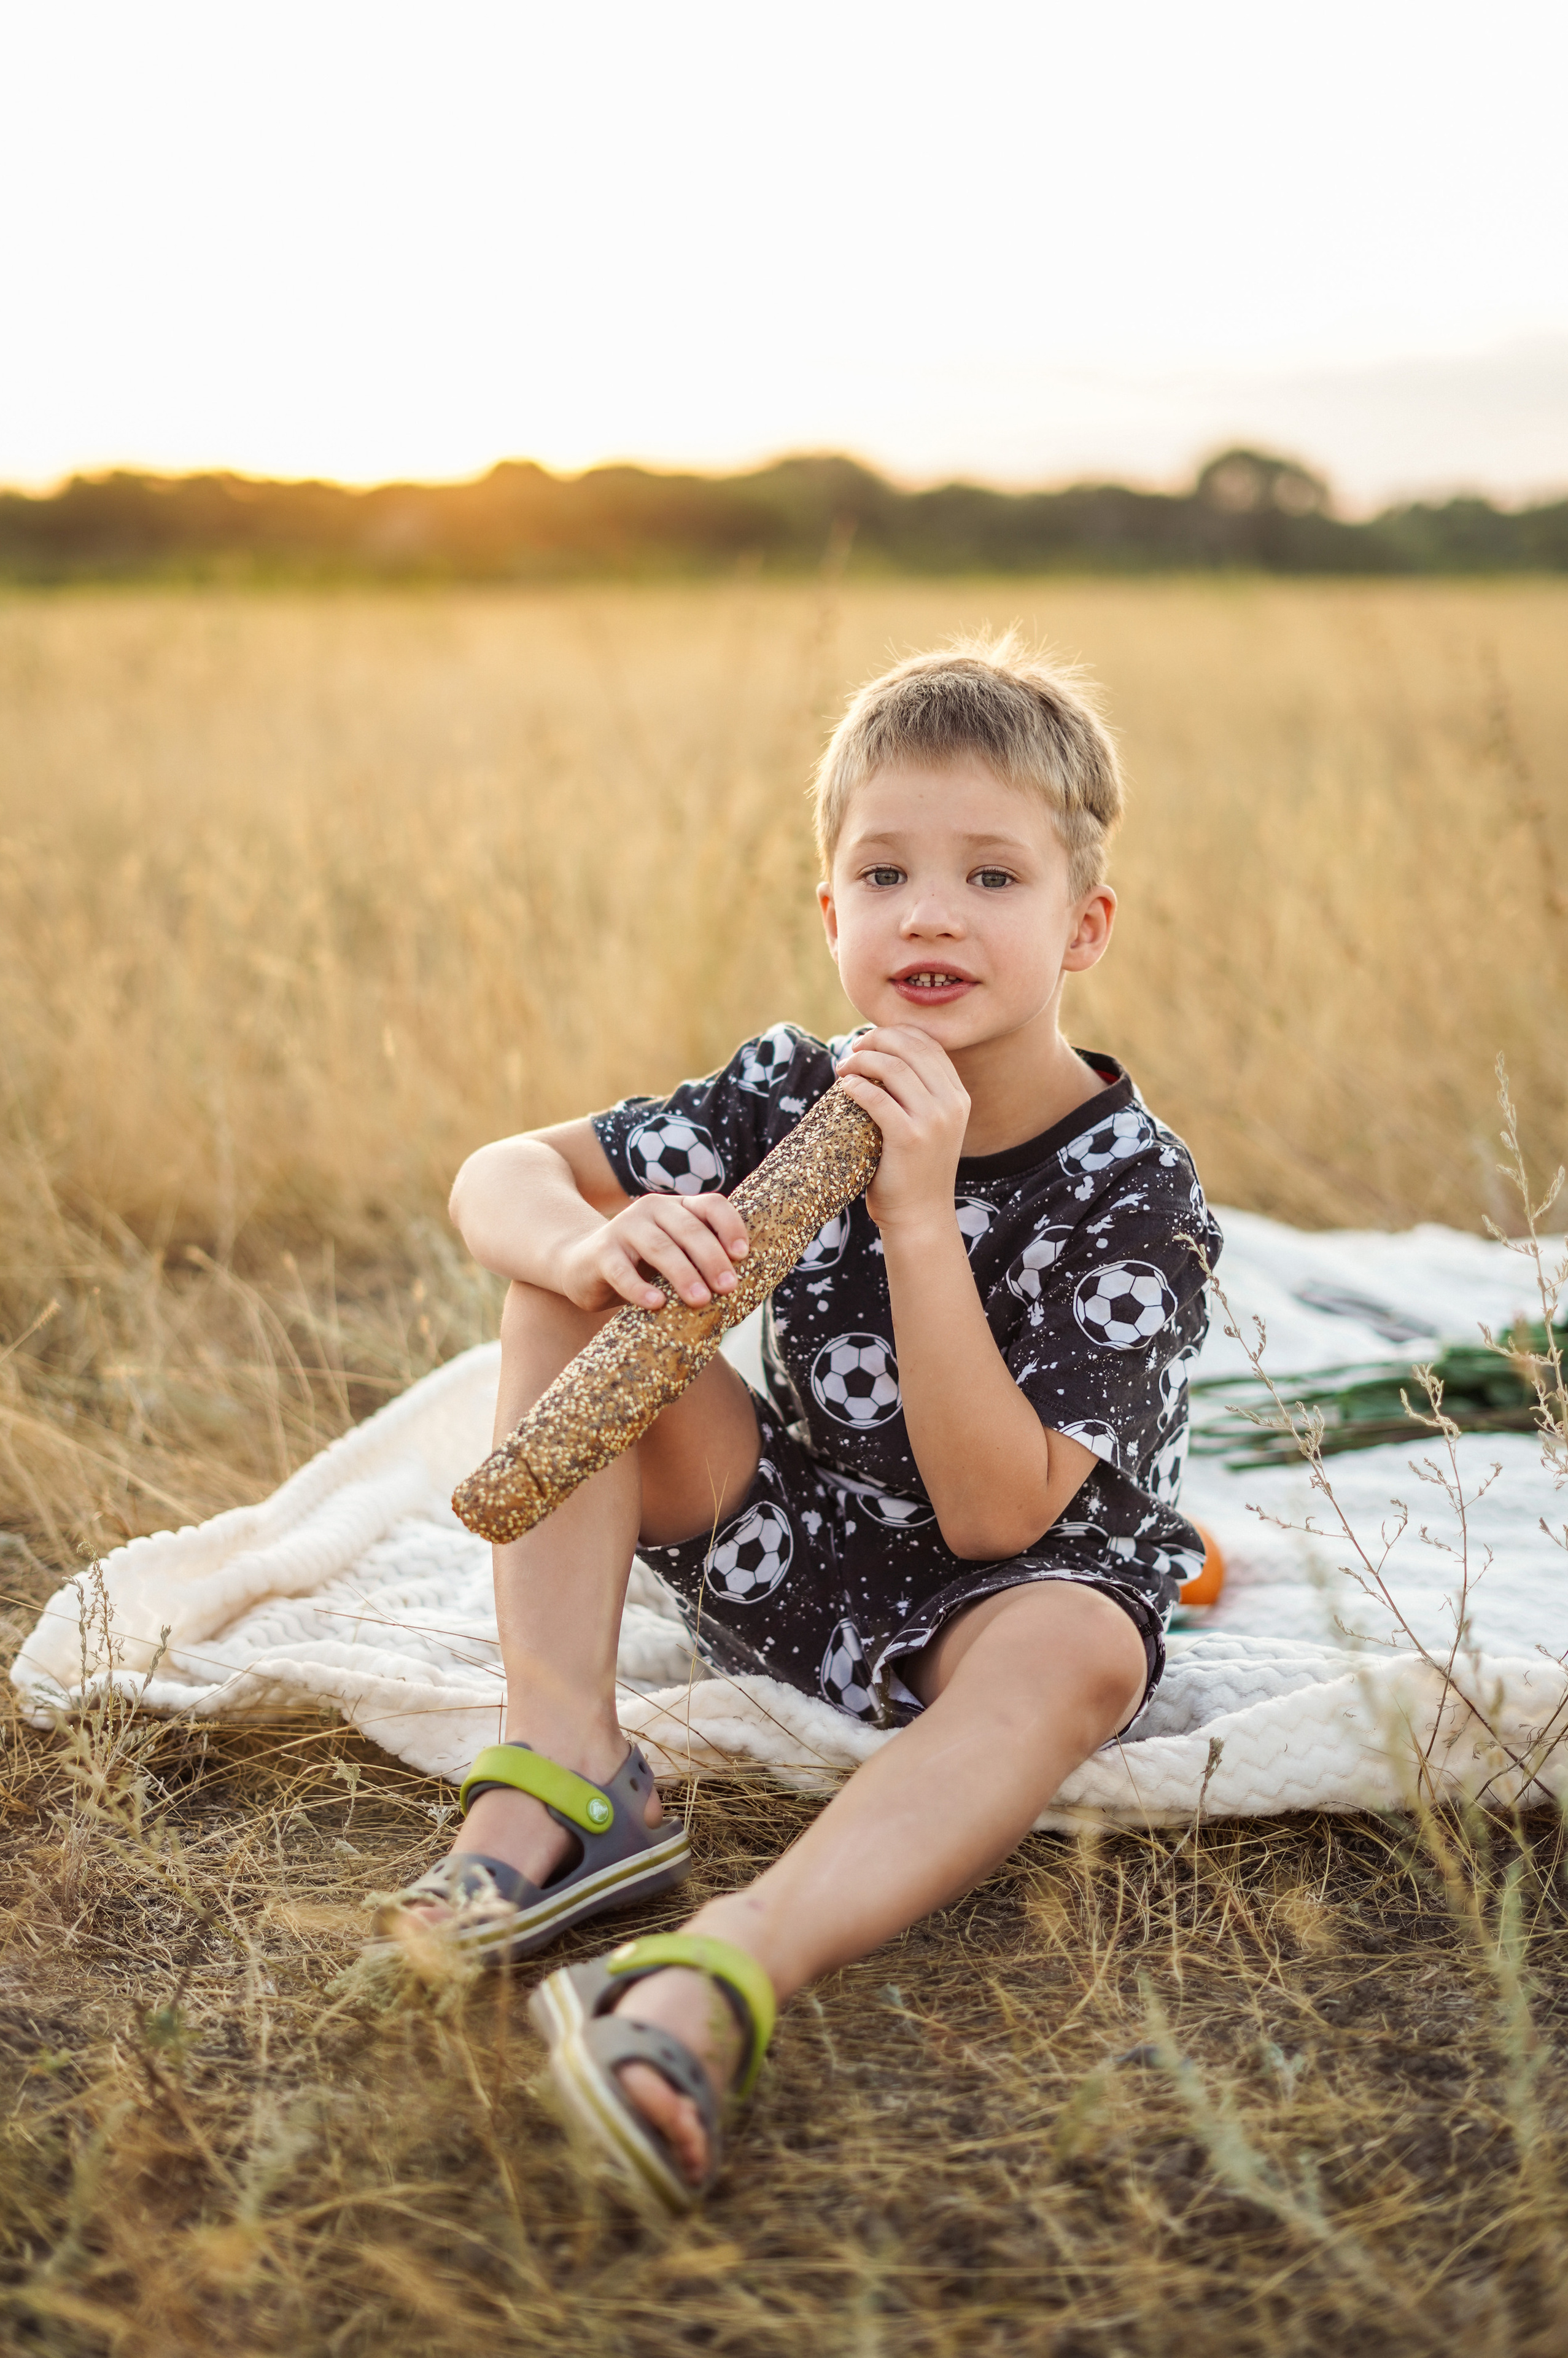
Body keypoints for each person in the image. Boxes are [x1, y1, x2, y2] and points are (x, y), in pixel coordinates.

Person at [380, 634, 1222, 2215]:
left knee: (1084, 1652)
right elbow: (501, 1170)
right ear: (830, 911)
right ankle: (569, 1763)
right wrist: (583, 1245)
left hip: (1010, 1584)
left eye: (991, 877)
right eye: (884, 870)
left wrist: (915, 1214)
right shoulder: (786, 1085)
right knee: (581, 1269)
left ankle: (723, 1963)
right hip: (796, 1549)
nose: (929, 913)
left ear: (1081, 924)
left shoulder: (1134, 1190)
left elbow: (993, 1516)